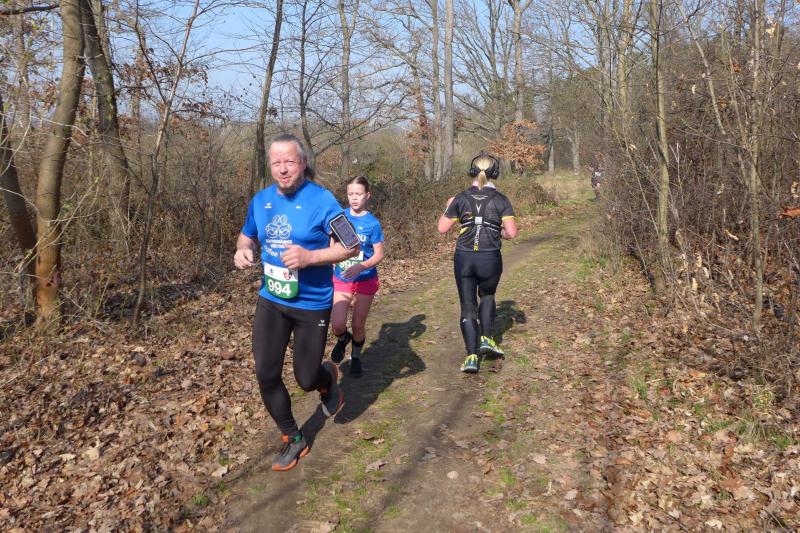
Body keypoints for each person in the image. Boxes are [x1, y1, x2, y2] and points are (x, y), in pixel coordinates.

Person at [234, 133, 359, 471]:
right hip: (271, 299)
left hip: (312, 304)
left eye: (289, 161)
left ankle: (326, 379)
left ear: (303, 163)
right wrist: (242, 250)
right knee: (266, 373)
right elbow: (246, 235)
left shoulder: (322, 200)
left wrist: (311, 257)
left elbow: (351, 246)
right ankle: (293, 437)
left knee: (305, 379)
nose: (283, 168)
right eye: (276, 162)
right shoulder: (261, 200)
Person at [437, 153, 518, 373]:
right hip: (490, 257)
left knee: (467, 306)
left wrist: (449, 207)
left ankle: (471, 357)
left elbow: (442, 228)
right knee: (488, 296)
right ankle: (486, 338)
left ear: (472, 171)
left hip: (464, 258)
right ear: (495, 173)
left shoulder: (460, 198)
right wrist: (497, 229)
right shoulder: (501, 199)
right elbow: (511, 233)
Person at [330, 176, 385, 377]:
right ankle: (343, 338)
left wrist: (361, 267)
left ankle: (355, 357)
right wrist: (332, 258)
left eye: (358, 194)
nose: (354, 198)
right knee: (337, 324)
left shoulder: (372, 223)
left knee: (358, 324)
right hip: (342, 277)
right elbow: (332, 242)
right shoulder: (339, 218)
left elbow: (379, 254)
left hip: (365, 278)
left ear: (367, 195)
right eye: (350, 194)